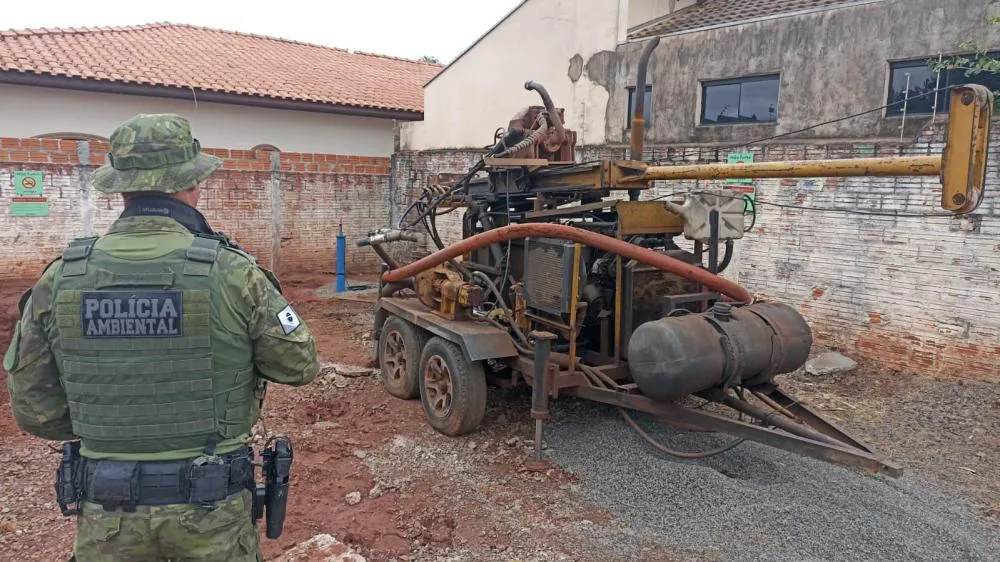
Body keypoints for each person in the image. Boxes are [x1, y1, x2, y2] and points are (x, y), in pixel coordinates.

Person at [3, 113, 320, 561]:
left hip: (107, 513)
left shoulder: (61, 279)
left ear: (120, 189)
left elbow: (34, 410)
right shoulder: (233, 273)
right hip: (213, 513)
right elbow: (300, 365)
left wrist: (111, 427)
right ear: (192, 184)